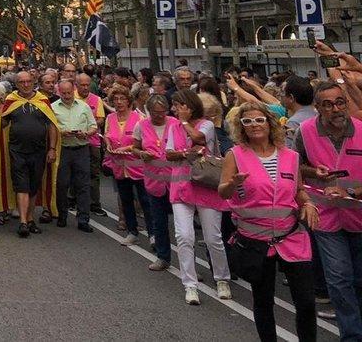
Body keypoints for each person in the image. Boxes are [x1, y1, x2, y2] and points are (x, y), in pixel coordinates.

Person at [221, 102, 318, 342]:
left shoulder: (291, 157)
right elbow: (223, 191)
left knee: (306, 302)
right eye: (247, 121)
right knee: (263, 301)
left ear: (270, 122)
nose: (254, 125)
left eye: (259, 120)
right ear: (241, 126)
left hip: (291, 237)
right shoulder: (235, 155)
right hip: (255, 240)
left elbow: (298, 190)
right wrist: (233, 183)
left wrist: (308, 203)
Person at [297, 81, 362, 340]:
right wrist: (314, 172)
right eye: (327, 104)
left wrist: (351, 192)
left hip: (358, 215)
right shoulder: (305, 131)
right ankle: (352, 335)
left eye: (339, 102)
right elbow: (296, 166)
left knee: (359, 279)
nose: (335, 109)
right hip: (326, 217)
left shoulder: (361, 129)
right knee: (339, 278)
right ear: (317, 108)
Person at [169, 89, 232, 305]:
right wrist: (184, 154)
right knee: (184, 237)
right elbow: (169, 153)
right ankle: (190, 284)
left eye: (179, 105)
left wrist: (185, 123)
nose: (175, 109)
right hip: (181, 184)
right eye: (174, 106)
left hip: (205, 184)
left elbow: (199, 138)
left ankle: (222, 278)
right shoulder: (172, 126)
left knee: (213, 238)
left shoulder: (206, 125)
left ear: (190, 106)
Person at [2, 72, 58, 238]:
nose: (25, 85)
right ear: (16, 84)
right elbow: (3, 121)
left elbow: (52, 125)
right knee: (21, 185)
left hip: (39, 150)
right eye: (21, 82)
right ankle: (23, 222)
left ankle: (30, 218)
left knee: (33, 186)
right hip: (17, 150)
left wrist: (52, 148)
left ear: (33, 82)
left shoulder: (42, 100)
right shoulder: (11, 100)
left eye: (28, 81)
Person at [133, 94, 179, 273]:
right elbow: (135, 147)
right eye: (155, 113)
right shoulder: (141, 125)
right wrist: (142, 154)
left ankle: (187, 263)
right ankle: (163, 257)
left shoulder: (175, 123)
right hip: (154, 181)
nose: (160, 116)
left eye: (163, 112)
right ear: (149, 111)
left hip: (176, 181)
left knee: (183, 227)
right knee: (159, 222)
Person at [103, 85, 153, 246]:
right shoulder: (110, 118)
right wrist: (108, 145)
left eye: (122, 99)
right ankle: (132, 231)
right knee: (126, 199)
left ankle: (153, 233)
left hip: (137, 165)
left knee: (145, 200)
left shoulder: (139, 119)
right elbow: (107, 136)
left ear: (129, 101)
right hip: (119, 165)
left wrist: (129, 148)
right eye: (116, 99)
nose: (119, 102)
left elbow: (145, 142)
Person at [51, 80, 96, 232]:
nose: (66, 96)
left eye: (69, 92)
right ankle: (62, 215)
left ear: (73, 90)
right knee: (62, 184)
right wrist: (61, 132)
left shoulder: (84, 106)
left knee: (83, 185)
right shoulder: (53, 107)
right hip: (63, 149)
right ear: (59, 92)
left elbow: (93, 126)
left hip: (81, 148)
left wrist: (86, 134)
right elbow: (50, 128)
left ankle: (83, 219)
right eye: (63, 93)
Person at [76, 73, 108, 217]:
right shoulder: (72, 97)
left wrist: (90, 125)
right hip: (76, 142)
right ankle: (75, 200)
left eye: (87, 85)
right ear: (76, 85)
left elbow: (101, 119)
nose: (85, 87)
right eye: (82, 85)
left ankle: (95, 203)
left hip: (93, 141)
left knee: (94, 173)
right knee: (77, 172)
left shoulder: (96, 99)